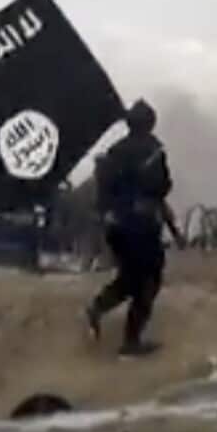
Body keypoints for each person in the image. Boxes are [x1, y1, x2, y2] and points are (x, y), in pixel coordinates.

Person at [84, 99, 174, 358]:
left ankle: (98, 307)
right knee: (149, 281)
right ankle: (131, 341)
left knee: (131, 277)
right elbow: (161, 186)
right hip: (141, 225)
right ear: (150, 123)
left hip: (117, 227)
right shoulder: (153, 150)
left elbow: (104, 194)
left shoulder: (114, 152)